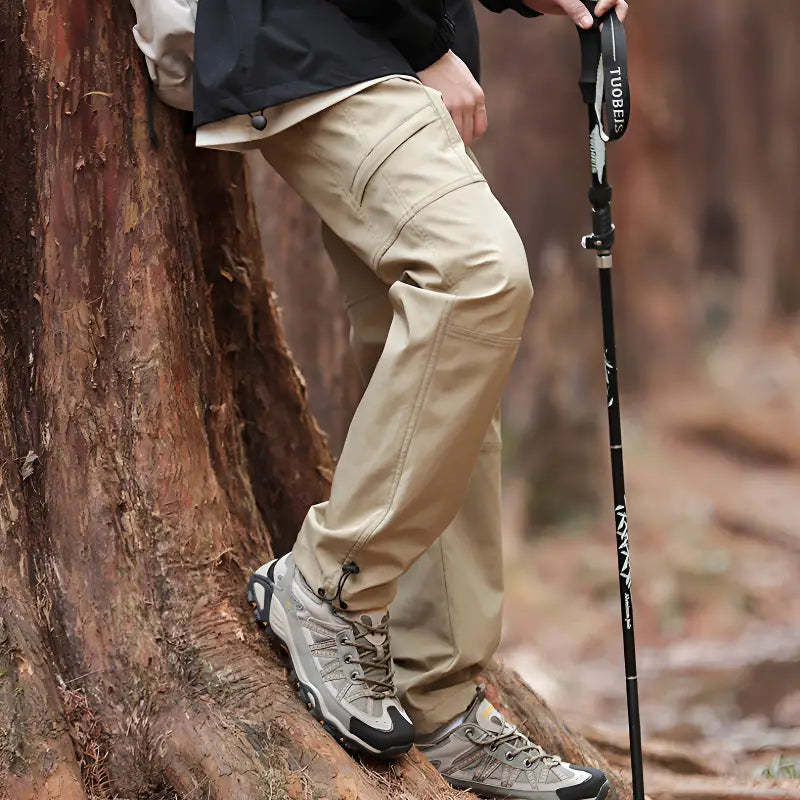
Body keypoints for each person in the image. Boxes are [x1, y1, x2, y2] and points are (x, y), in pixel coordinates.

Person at [195, 0, 627, 797]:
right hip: (321, 40)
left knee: (448, 363)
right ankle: (326, 584)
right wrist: (425, 46)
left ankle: (438, 697)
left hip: (368, 50)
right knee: (478, 280)